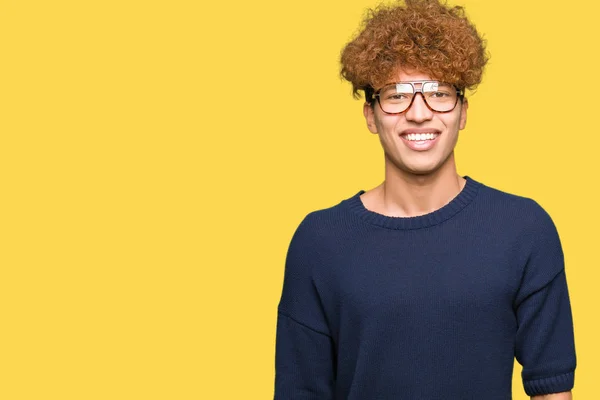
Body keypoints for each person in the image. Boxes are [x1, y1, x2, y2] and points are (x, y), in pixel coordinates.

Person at [274, 0, 577, 398]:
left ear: (463, 112)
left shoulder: (523, 229)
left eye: (438, 92)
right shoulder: (319, 241)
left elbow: (551, 387)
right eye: (397, 95)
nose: (419, 113)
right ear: (370, 115)